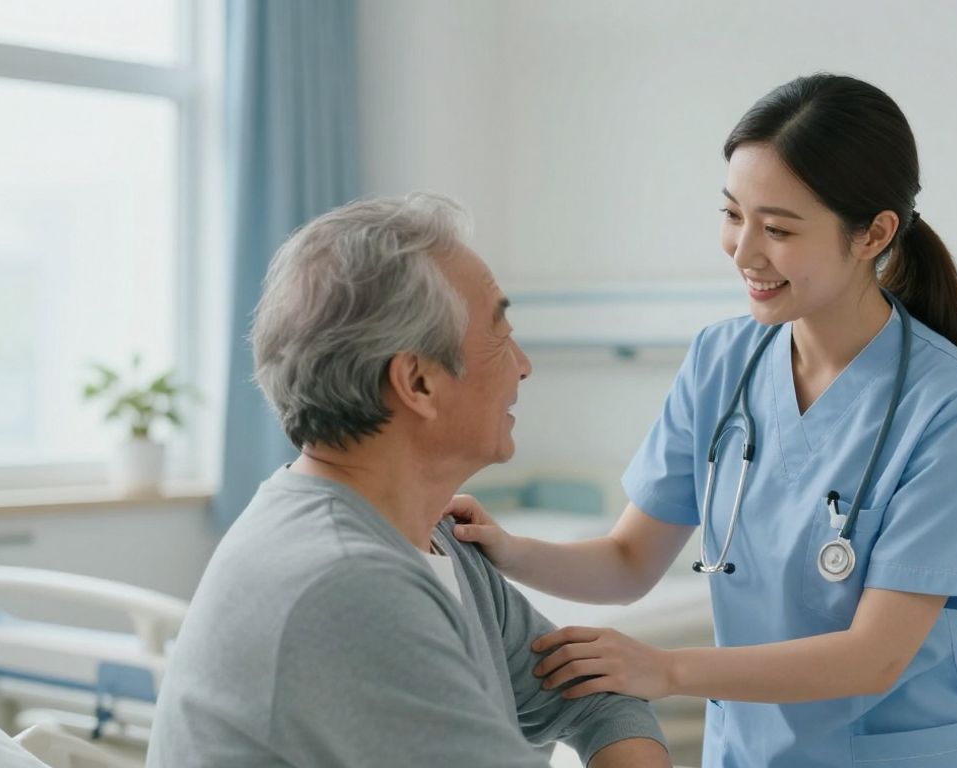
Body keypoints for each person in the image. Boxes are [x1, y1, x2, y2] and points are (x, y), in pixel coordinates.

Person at [449, 74, 957, 767]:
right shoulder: (723, 360)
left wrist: (669, 670)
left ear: (874, 234)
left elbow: (875, 657)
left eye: (777, 228)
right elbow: (628, 562)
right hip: (746, 751)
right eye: (732, 214)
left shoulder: (950, 406)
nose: (743, 251)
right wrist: (505, 548)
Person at [146, 195, 670, 768]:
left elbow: (597, 694)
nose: (523, 364)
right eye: (501, 335)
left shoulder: (434, 537)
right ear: (418, 382)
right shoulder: (346, 583)